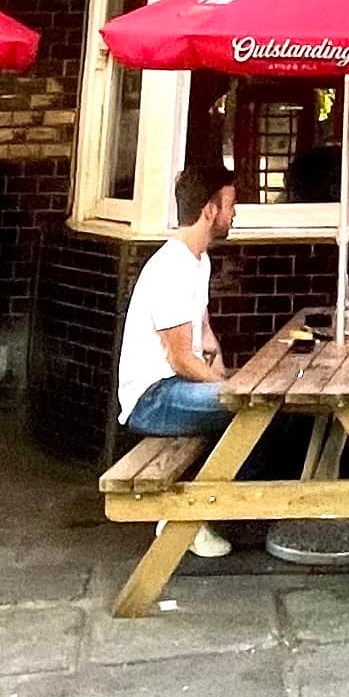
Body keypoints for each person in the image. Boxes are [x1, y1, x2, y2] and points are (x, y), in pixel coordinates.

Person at [116, 162, 239, 564]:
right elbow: (181, 358)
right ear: (209, 210)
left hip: (176, 387)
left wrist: (221, 369)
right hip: (153, 397)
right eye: (231, 205)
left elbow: (203, 336)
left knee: (252, 405)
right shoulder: (170, 267)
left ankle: (203, 511)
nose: (234, 214)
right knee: (250, 407)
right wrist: (227, 388)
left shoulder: (197, 261)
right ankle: (187, 517)